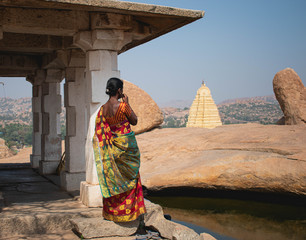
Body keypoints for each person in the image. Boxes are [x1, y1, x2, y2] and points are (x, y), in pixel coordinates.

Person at [92, 77, 147, 232]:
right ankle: (129, 213)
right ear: (119, 90)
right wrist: (128, 103)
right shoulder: (123, 107)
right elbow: (134, 121)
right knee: (131, 176)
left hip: (113, 149)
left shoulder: (103, 109)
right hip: (127, 149)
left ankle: (112, 213)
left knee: (114, 178)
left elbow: (101, 131)